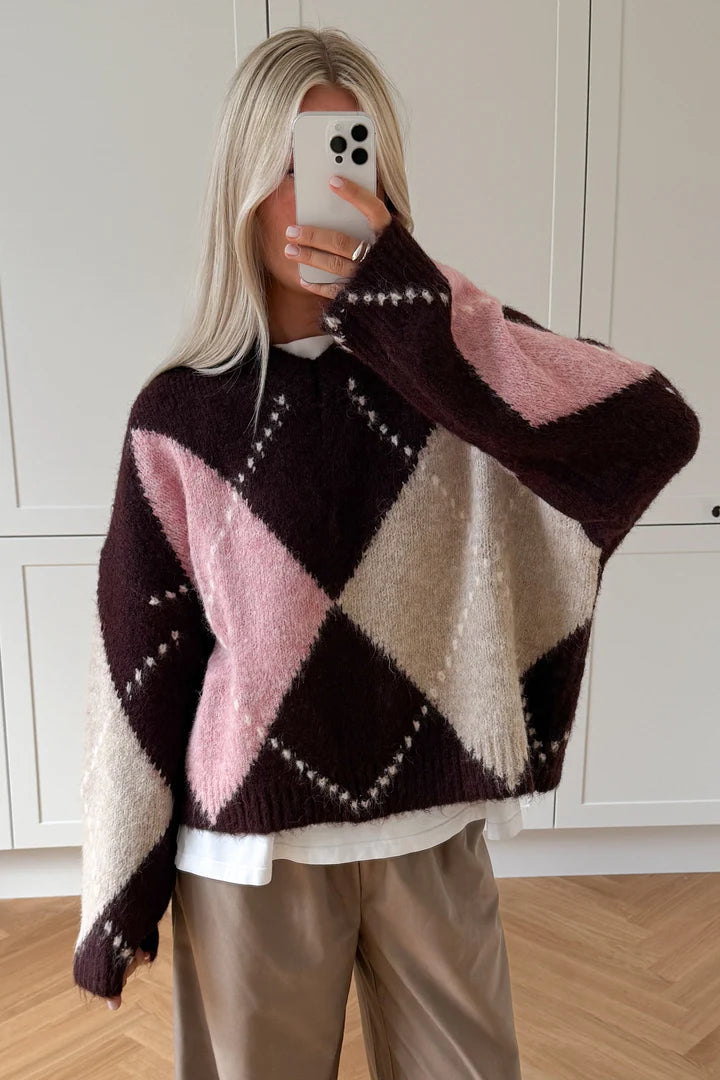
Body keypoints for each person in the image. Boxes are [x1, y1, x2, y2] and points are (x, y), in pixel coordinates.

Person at [71, 25, 700, 1080]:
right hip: (252, 858)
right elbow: (142, 658)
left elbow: (653, 430)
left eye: (344, 156)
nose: (316, 193)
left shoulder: (457, 376)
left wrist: (411, 305)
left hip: (431, 832)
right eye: (288, 162)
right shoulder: (180, 417)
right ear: (240, 186)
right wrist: (117, 892)